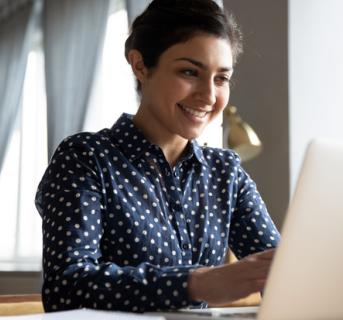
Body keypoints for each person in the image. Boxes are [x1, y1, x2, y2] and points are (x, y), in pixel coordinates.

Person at [35, 0, 280, 313]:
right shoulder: (85, 159)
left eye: (221, 78)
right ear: (140, 66)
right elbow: (65, 287)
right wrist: (197, 283)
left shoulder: (226, 173)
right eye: (190, 72)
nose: (208, 95)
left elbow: (280, 271)